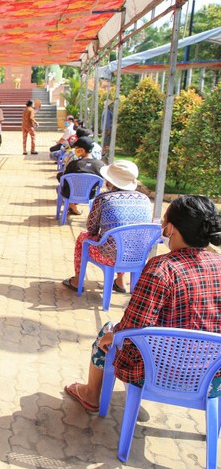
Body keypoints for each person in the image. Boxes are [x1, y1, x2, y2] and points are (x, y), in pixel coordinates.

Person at [64, 195, 221, 412]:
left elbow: (135, 324)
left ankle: (91, 394)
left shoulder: (162, 268)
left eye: (164, 221)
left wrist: (116, 333)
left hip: (159, 370)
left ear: (171, 229)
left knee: (108, 332)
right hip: (212, 376)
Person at [61, 160, 152, 293]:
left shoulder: (104, 199)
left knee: (83, 237)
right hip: (138, 255)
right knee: (125, 240)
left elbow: (91, 229)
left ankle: (77, 280)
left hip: (108, 256)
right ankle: (120, 281)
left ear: (111, 181)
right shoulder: (144, 199)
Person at [59, 136, 104, 215]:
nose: (75, 150)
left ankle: (71, 205)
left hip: (70, 194)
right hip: (90, 195)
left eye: (76, 148)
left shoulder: (73, 164)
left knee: (60, 186)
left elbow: (65, 180)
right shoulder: (100, 165)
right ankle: (73, 206)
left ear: (81, 150)